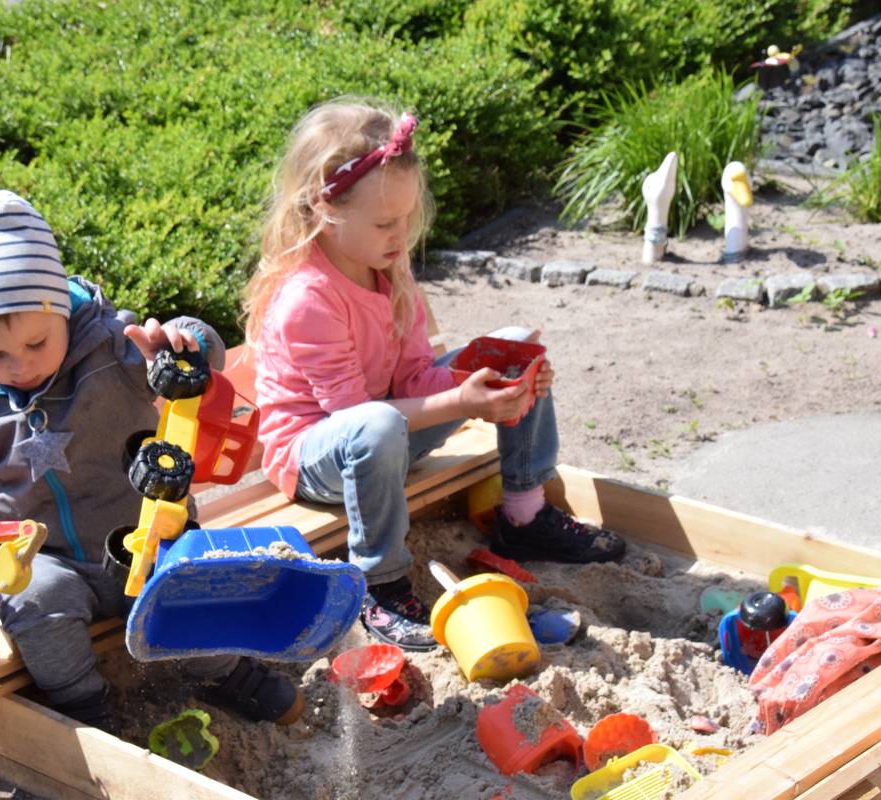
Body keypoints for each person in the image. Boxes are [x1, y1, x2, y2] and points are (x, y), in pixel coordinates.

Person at [0, 190, 302, 726]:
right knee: (35, 605)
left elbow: (194, 358)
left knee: (186, 592)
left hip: (144, 531)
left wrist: (184, 341)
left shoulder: (108, 349)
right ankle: (86, 707)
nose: (19, 366)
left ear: (60, 309)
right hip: (38, 557)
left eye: (37, 343)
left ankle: (223, 673)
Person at [242, 99, 626, 652]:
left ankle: (524, 515)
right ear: (324, 211)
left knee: (513, 348)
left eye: (406, 218)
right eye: (384, 223)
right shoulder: (308, 299)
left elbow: (416, 377)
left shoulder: (384, 267)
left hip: (386, 427)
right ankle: (380, 585)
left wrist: (499, 386)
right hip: (315, 455)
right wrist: (465, 403)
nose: (401, 237)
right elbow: (353, 419)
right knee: (375, 426)